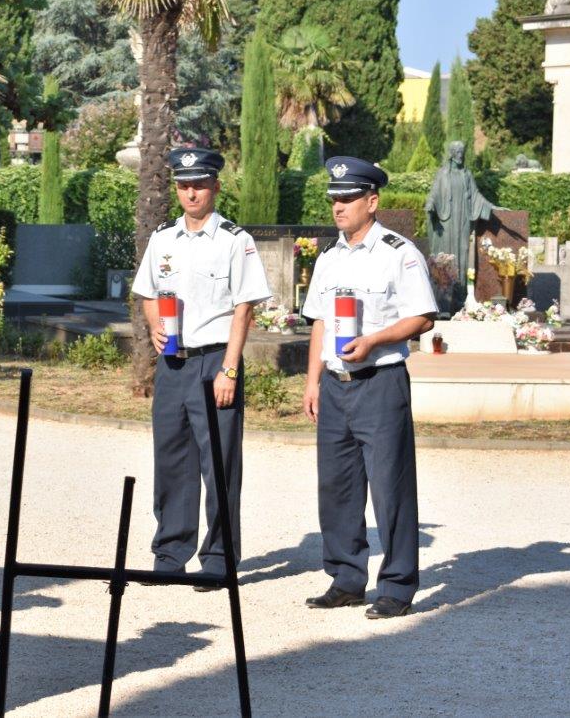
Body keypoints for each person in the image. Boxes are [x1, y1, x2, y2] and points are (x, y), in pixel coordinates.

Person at [301, 156, 437, 619]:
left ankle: (397, 586)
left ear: (372, 202)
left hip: (380, 383)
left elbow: (423, 317)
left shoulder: (399, 253)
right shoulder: (329, 257)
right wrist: (312, 381)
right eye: (334, 199)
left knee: (390, 489)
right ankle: (346, 578)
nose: (338, 206)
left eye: (348, 198)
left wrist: (374, 340)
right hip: (335, 386)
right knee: (337, 487)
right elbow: (320, 322)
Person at [131, 146, 270, 583]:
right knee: (171, 459)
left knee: (220, 465)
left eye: (200, 185)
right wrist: (155, 325)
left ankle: (219, 560)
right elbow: (148, 292)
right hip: (173, 363)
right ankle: (170, 554)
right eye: (184, 186)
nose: (191, 193)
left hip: (214, 362)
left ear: (216, 187)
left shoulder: (234, 240)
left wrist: (230, 368)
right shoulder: (162, 239)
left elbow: (244, 308)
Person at [425, 140, 494, 312]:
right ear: (451, 153)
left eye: (462, 151)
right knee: (446, 256)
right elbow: (434, 193)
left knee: (462, 254)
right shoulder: (443, 173)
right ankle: (443, 300)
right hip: (447, 221)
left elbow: (476, 195)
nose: (460, 155)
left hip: (463, 219)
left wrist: (493, 207)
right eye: (457, 151)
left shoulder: (467, 174)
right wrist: (431, 205)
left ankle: (459, 297)